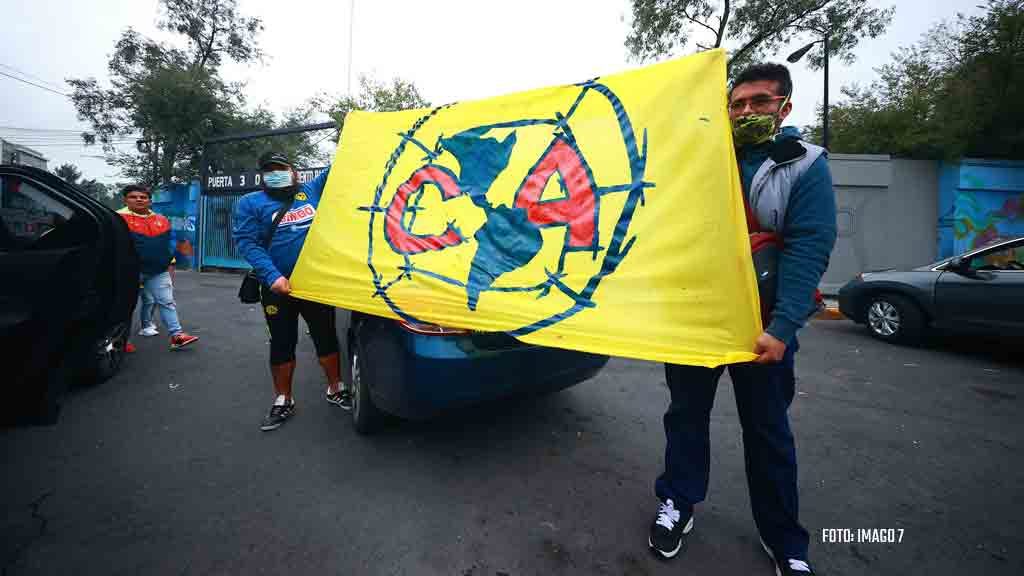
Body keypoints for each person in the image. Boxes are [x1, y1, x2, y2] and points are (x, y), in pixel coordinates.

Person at [648, 63, 837, 576]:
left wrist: (781, 329)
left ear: (785, 108)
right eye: (737, 104)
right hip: (696, 323)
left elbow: (808, 249)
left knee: (768, 431)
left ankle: (784, 539)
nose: (747, 111)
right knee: (685, 418)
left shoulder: (804, 166)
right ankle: (678, 503)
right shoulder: (700, 160)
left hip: (764, 329)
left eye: (759, 101)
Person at [233, 152, 350, 432]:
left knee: (326, 336)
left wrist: (356, 131)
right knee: (282, 342)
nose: (276, 174)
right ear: (262, 175)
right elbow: (247, 242)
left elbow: (345, 163)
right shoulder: (250, 203)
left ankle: (335, 388)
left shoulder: (312, 189)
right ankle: (283, 399)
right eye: (269, 170)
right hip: (277, 288)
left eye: (281, 169)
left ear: (294, 171)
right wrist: (272, 275)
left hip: (314, 285)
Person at [118, 185, 200, 351]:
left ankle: (177, 336)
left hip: (158, 271)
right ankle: (120, 340)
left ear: (149, 200)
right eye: (134, 197)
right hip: (129, 271)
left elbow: (170, 242)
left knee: (167, 302)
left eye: (143, 197)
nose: (139, 199)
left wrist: (169, 262)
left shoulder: (161, 219)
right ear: (125, 199)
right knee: (124, 306)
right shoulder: (117, 218)